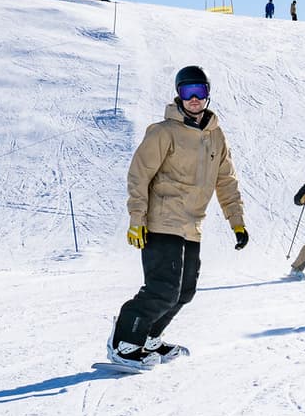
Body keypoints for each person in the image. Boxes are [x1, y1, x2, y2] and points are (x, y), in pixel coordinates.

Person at [106, 65, 249, 370]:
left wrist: (236, 221)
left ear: (208, 95)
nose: (194, 98)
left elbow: (226, 181)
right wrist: (137, 219)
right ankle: (123, 342)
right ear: (178, 95)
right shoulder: (163, 132)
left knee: (184, 292)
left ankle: (149, 338)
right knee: (162, 289)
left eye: (200, 92)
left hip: (191, 225)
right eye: (187, 92)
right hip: (161, 221)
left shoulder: (216, 136)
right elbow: (139, 175)